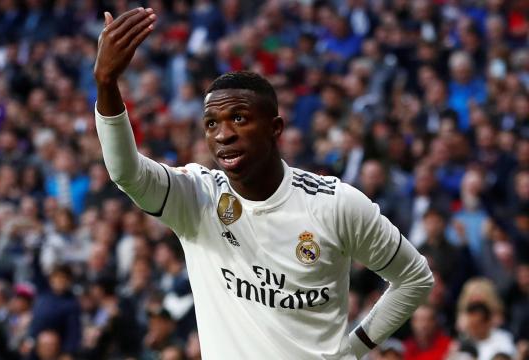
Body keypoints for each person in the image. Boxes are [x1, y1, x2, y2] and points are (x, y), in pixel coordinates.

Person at [93, 7, 433, 359]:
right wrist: (106, 83)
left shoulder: (334, 204)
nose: (223, 134)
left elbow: (415, 279)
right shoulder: (195, 198)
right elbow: (125, 173)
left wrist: (355, 348)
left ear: (275, 128)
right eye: (211, 123)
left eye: (238, 118)